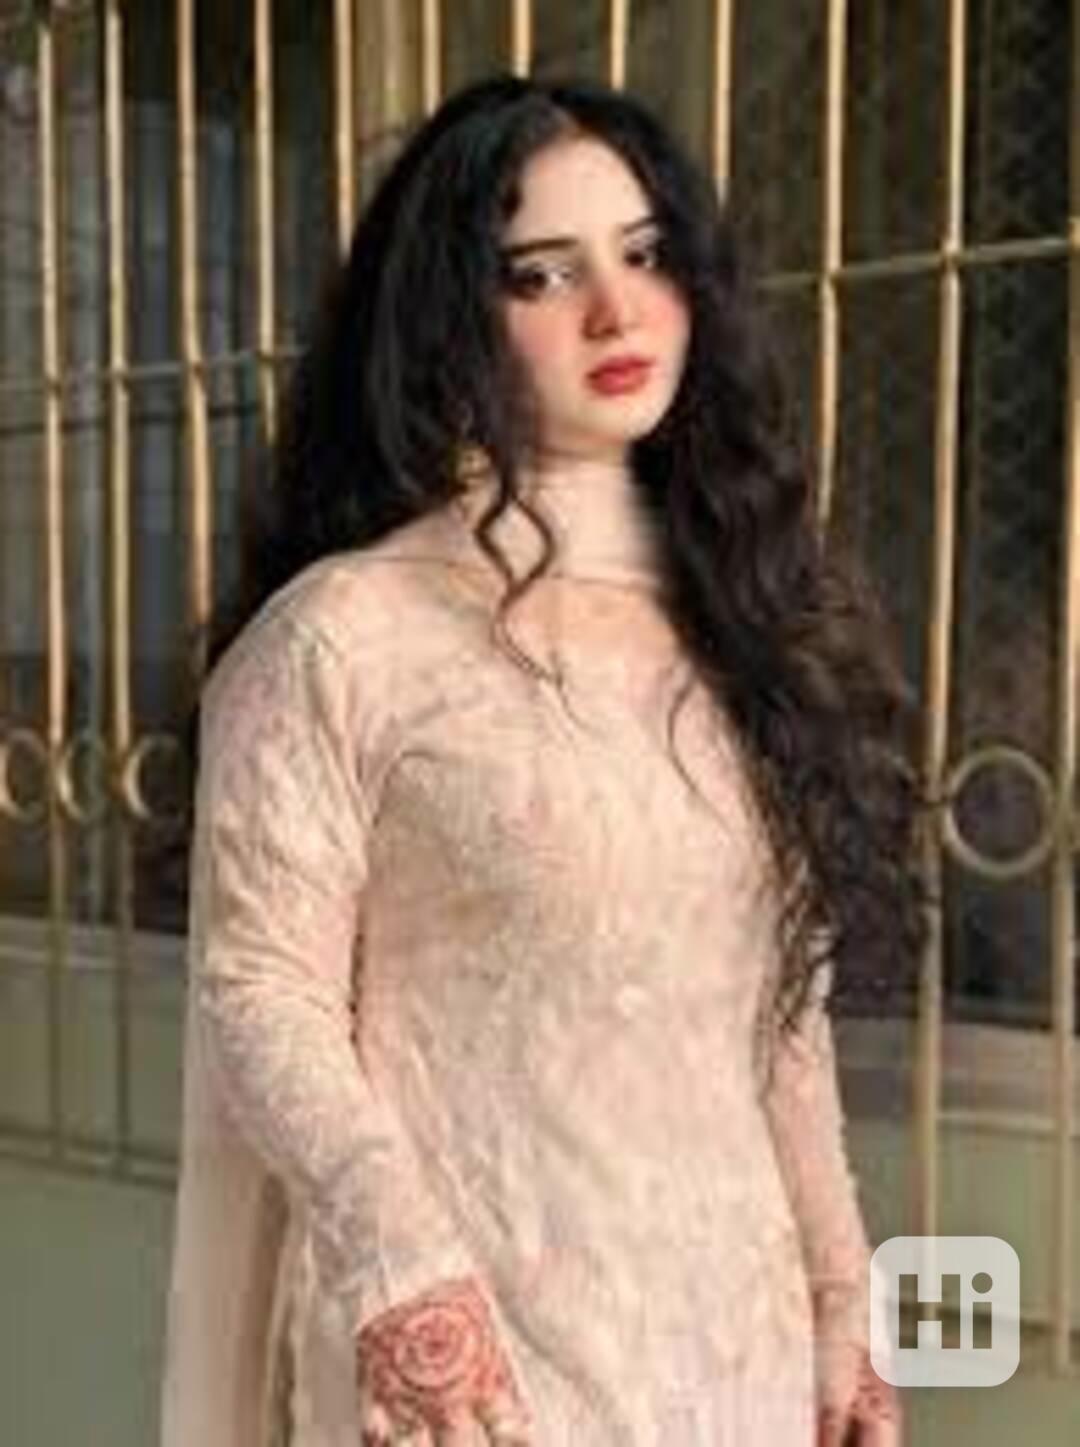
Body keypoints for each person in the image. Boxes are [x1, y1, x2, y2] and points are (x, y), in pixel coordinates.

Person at [160, 73, 925, 1447]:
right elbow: (262, 988)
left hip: (729, 1350)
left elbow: (775, 1024)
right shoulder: (347, 636)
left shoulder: (746, 631)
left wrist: (839, 1304)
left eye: (645, 255)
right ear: (449, 317)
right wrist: (401, 1268)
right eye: (543, 274)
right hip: (478, 1371)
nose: (617, 313)